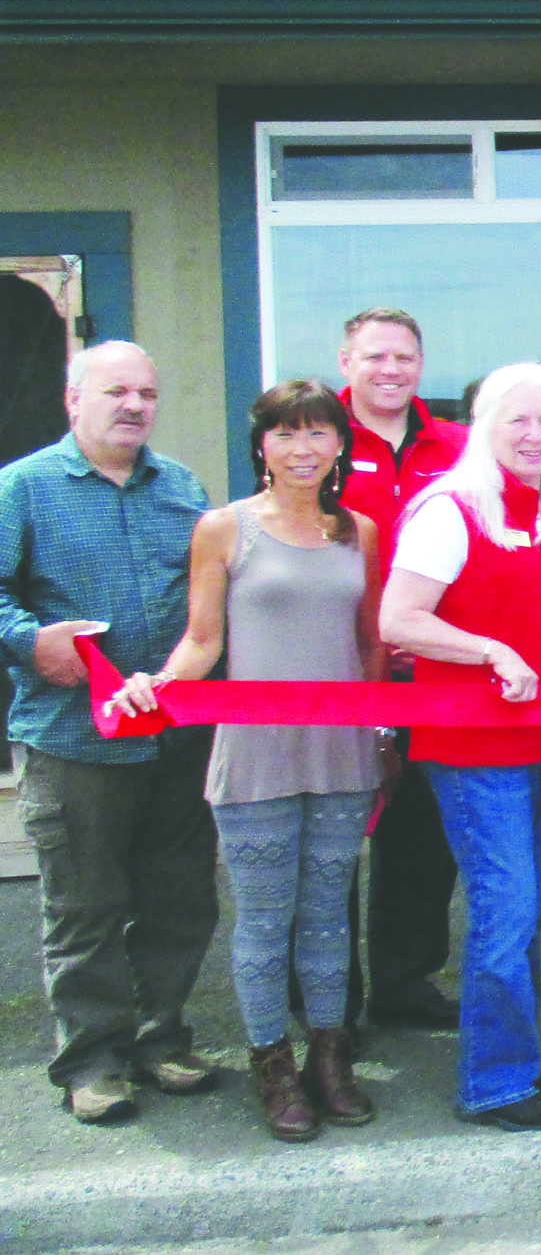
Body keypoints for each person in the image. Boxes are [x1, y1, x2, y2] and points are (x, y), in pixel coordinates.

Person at [105, 380, 385, 1141]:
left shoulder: (356, 530)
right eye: (287, 434)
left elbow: (370, 647)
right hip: (255, 753)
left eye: (319, 434)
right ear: (261, 444)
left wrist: (387, 737)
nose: (304, 450)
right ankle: (276, 1068)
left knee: (329, 918)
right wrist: (155, 688)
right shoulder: (223, 529)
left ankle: (331, 1060)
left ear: (339, 445)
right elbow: (203, 641)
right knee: (265, 920)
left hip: (341, 753)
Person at [380, 363, 541, 1131]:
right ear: (485, 427)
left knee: (530, 904)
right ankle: (494, 1081)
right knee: (505, 910)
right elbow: (398, 619)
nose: (536, 435)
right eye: (518, 421)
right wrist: (487, 650)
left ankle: (521, 1053)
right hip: (475, 746)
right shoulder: (450, 510)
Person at [0, 341, 216, 1126]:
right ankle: (90, 1061)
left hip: (175, 738)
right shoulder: (23, 488)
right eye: (116, 391)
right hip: (74, 742)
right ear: (73, 399)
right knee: (86, 906)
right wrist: (30, 640)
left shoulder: (182, 488)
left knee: (178, 900)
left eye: (147, 393)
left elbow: (211, 600)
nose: (134, 405)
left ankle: (161, 1040)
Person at [335, 306, 466, 1033]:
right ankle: (331, 1002)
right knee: (329, 843)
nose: (391, 370)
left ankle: (405, 983)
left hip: (429, 678)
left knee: (421, 837)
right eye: (375, 356)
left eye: (404, 358)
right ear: (346, 361)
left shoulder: (456, 445)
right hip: (338, 672)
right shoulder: (316, 438)